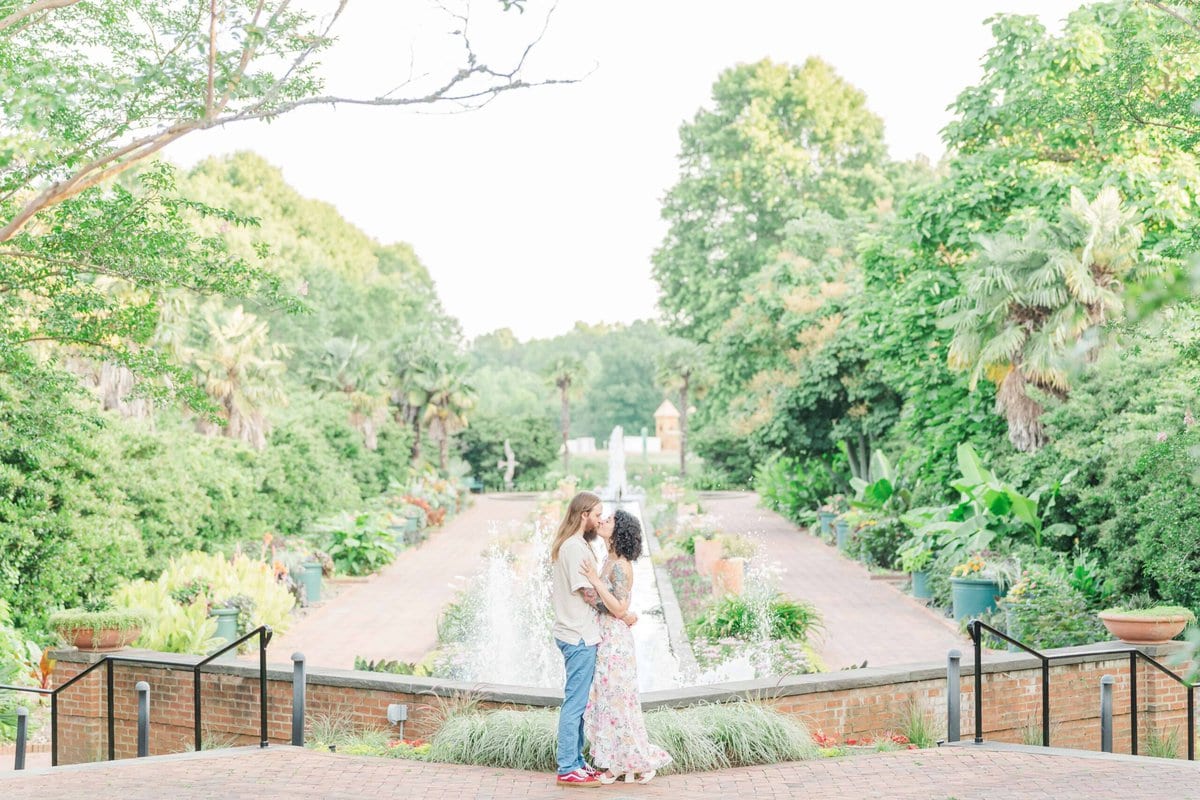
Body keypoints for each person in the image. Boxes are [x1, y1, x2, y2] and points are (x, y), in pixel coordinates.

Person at [548, 491, 636, 788]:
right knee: (575, 704)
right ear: (584, 515)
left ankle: (577, 762)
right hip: (579, 637)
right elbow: (588, 595)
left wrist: (621, 611)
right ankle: (567, 768)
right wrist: (623, 615)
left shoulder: (576, 545)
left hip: (579, 634)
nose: (600, 520)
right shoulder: (576, 548)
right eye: (597, 515)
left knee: (581, 703)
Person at [581, 509, 672, 784]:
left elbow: (620, 607)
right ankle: (626, 762)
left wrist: (595, 584)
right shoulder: (609, 559)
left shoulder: (620, 565)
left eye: (609, 520)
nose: (603, 521)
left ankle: (624, 763)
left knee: (617, 701)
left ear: (618, 531)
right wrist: (589, 597)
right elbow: (612, 606)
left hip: (615, 642)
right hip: (606, 635)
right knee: (609, 701)